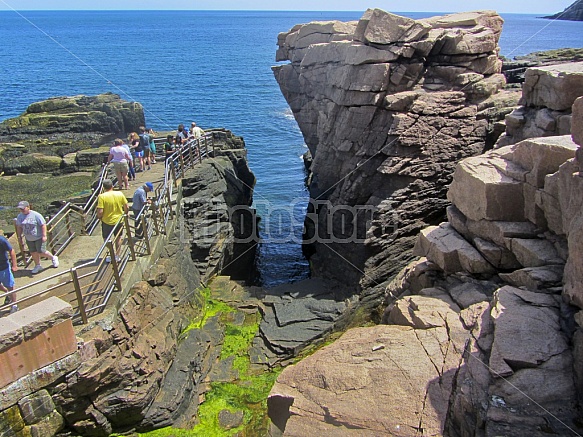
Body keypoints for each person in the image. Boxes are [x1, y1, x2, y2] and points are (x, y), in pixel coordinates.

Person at [15, 201, 59, 274]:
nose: (22, 210)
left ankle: (53, 258)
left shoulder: (36, 215)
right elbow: (19, 227)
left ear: (28, 207)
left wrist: (44, 235)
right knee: (33, 252)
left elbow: (43, 224)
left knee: (41, 251)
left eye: (23, 208)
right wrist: (19, 237)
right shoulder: (20, 216)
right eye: (20, 209)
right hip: (29, 238)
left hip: (38, 237)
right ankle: (37, 265)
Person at [96, 179, 129, 262]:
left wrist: (99, 217)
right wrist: (125, 213)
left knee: (106, 239)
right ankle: (117, 256)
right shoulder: (120, 194)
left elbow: (100, 212)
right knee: (118, 238)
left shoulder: (102, 197)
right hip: (119, 220)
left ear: (104, 187)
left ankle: (112, 254)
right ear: (112, 186)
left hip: (107, 221)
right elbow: (126, 207)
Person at [0, 230, 18, 313]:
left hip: (4, 267)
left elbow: (11, 250)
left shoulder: (2, 240)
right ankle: (7, 293)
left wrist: (14, 265)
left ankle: (14, 304)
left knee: (10, 285)